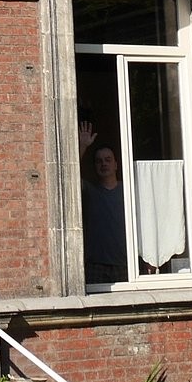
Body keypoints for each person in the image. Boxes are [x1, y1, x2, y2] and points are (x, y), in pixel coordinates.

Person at [79, 122, 127, 285]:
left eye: (108, 160)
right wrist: (83, 146)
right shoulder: (89, 191)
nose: (104, 164)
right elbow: (69, 177)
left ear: (116, 165)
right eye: (99, 161)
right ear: (95, 166)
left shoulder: (128, 191)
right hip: (95, 265)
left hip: (125, 263)